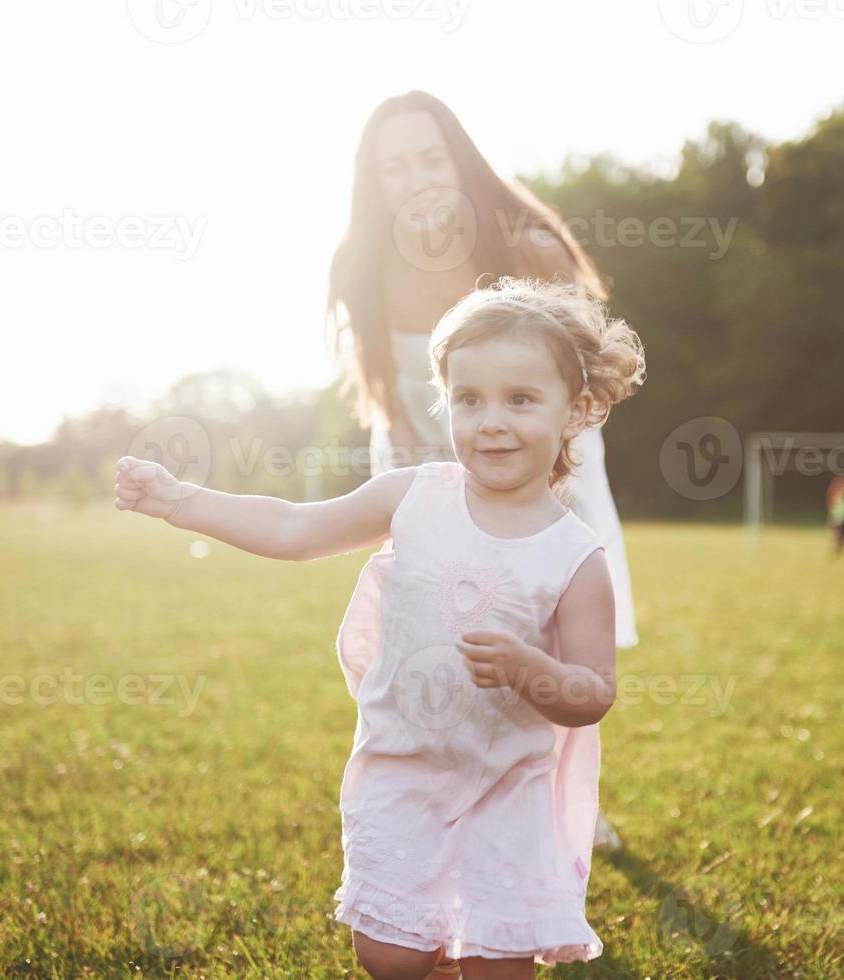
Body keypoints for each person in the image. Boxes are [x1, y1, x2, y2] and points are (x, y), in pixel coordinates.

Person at [114, 278, 646, 978]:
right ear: (445, 400)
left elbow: (592, 690)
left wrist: (528, 668)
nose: (490, 421)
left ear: (575, 409)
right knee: (390, 956)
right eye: (468, 399)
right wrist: (182, 501)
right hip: (404, 769)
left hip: (507, 787)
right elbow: (294, 527)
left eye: (520, 399)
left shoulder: (573, 556)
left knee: (500, 966)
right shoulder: (415, 496)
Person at [326, 92, 636, 877]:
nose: (416, 179)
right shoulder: (360, 267)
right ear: (373, 181)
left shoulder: (525, 243)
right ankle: (432, 787)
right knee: (439, 641)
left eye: (431, 159)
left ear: (459, 160)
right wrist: (419, 503)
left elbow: (585, 377)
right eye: (394, 167)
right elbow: (385, 398)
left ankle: (566, 804)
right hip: (424, 466)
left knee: (545, 639)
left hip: (543, 468)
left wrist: (532, 491)